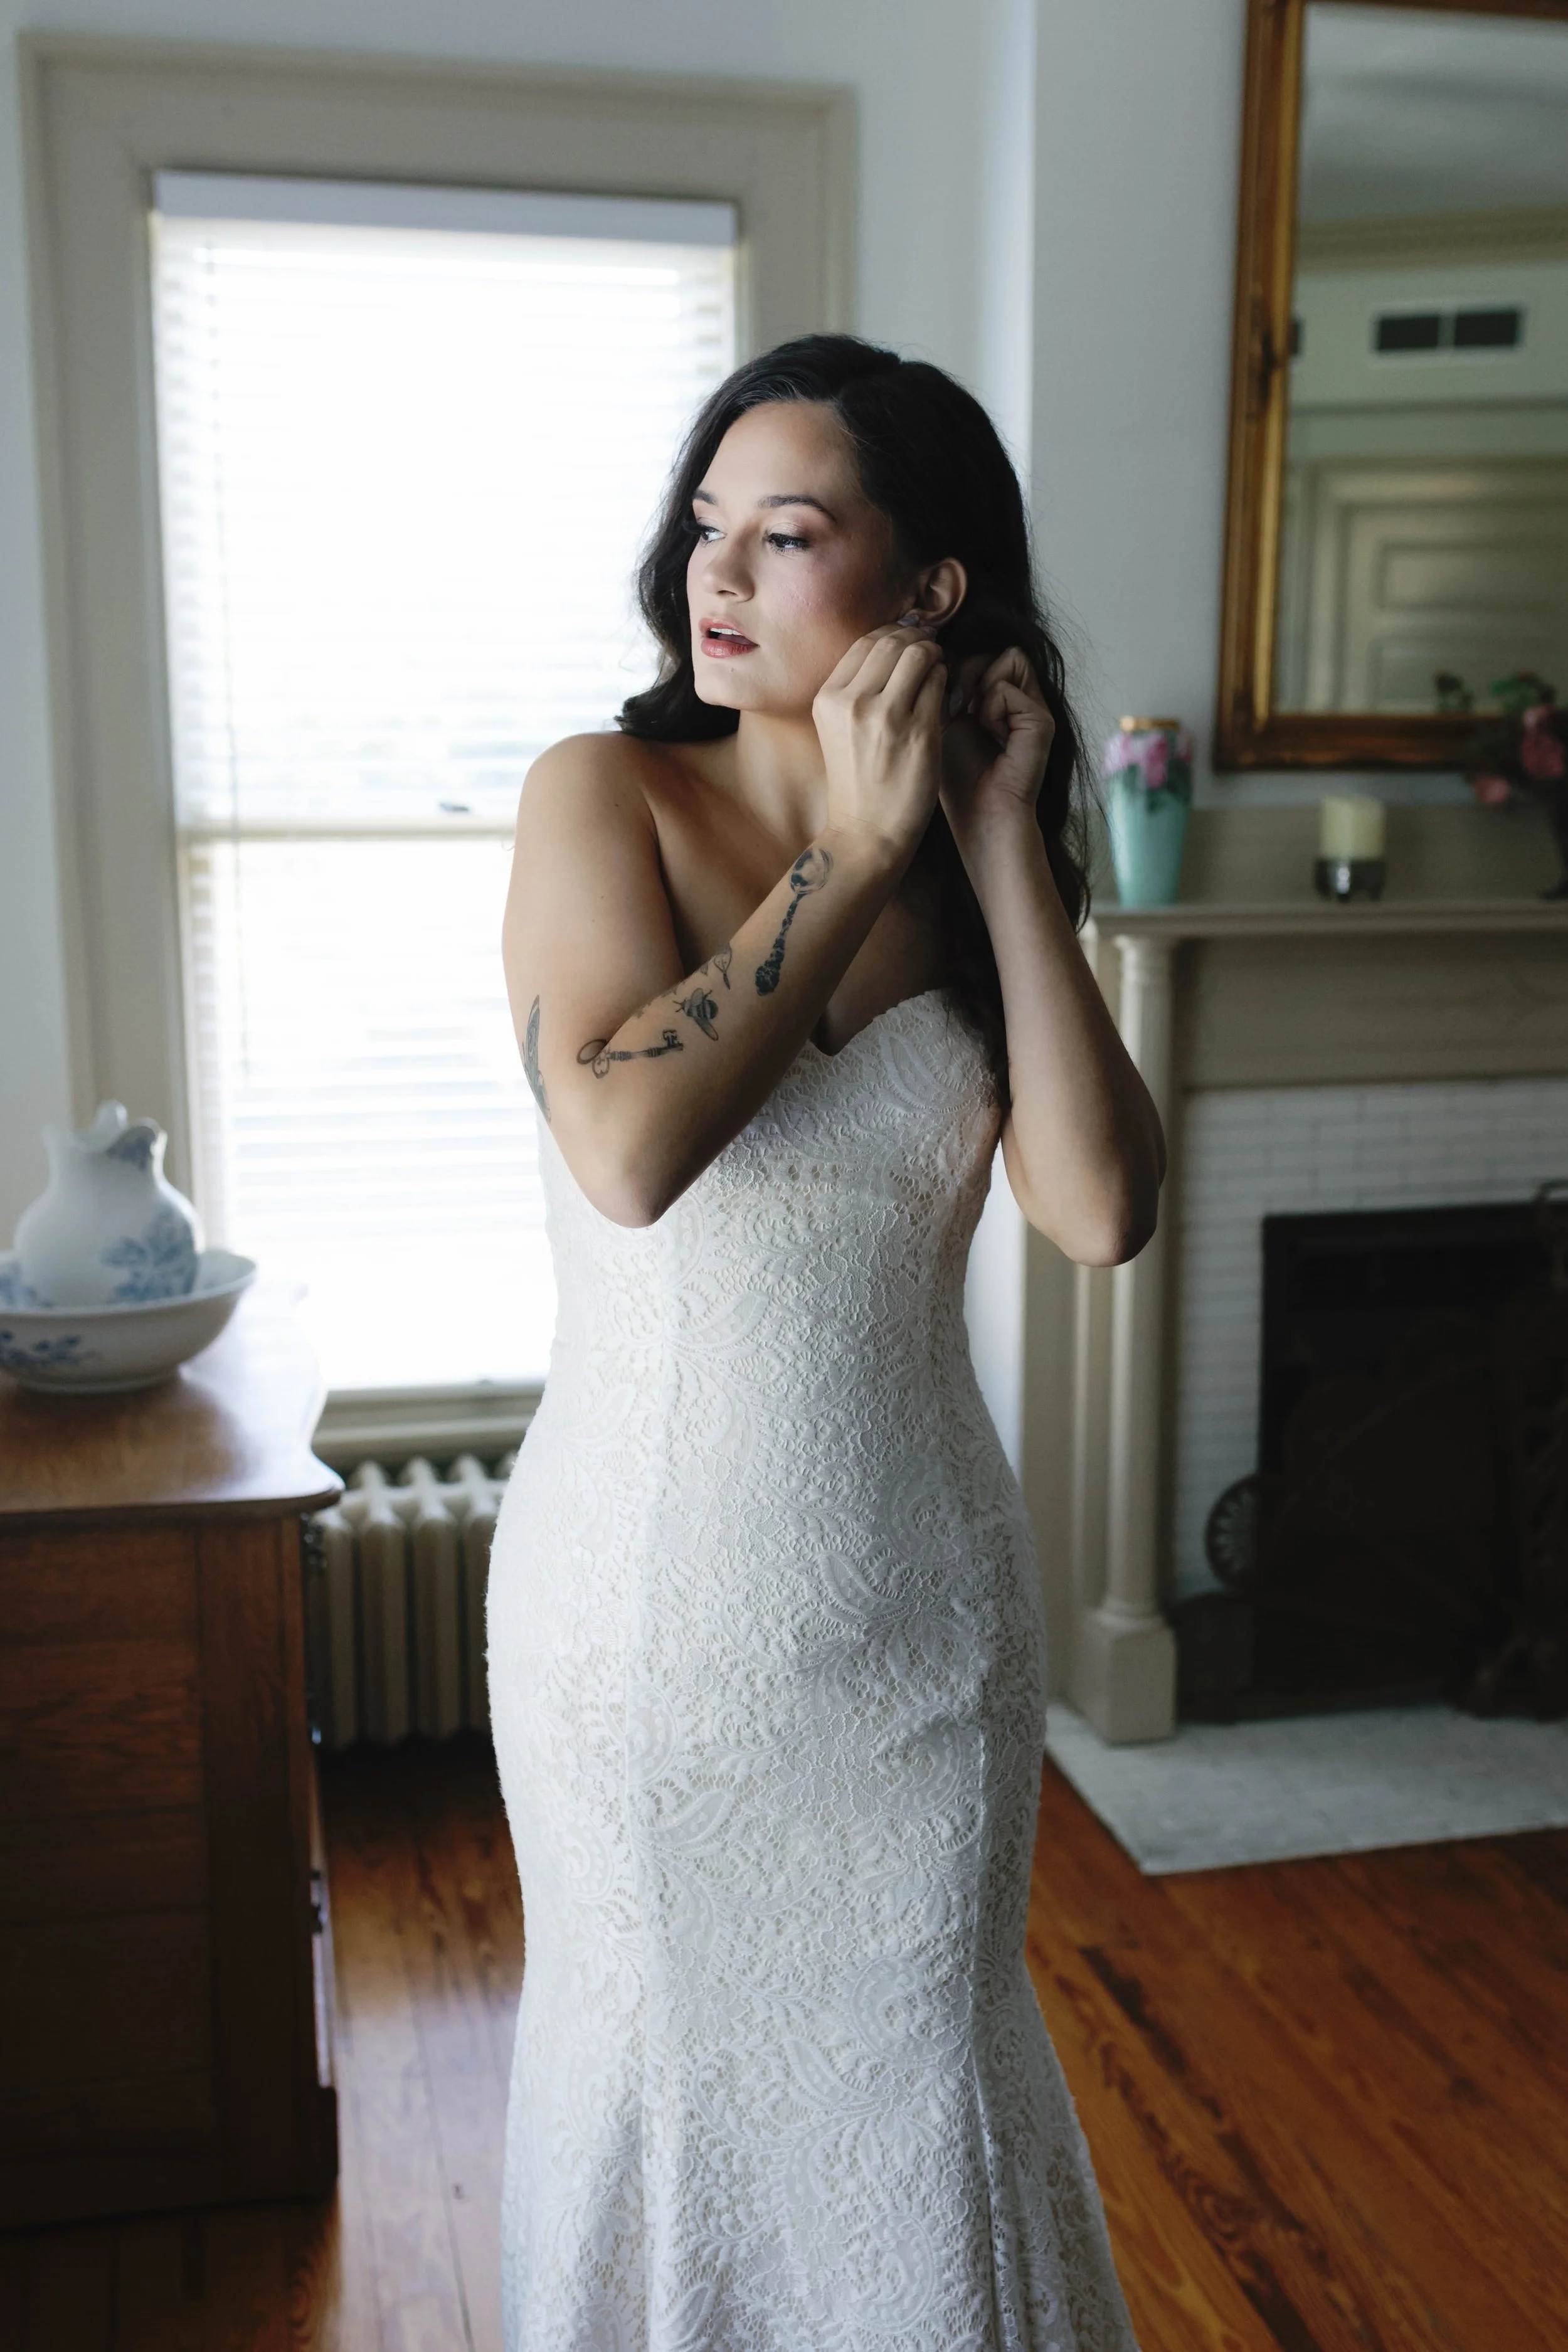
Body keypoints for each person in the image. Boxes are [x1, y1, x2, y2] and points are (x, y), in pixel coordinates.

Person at [489, 332, 1160, 2349]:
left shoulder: (970, 872)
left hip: (923, 1649)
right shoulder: (600, 798)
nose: (714, 576)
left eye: (783, 535)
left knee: (924, 2106)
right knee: (662, 2089)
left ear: (928, 589)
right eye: (705, 526)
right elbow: (624, 1146)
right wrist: (847, 847)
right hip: (644, 1640)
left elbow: (1102, 1209)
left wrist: (992, 841)